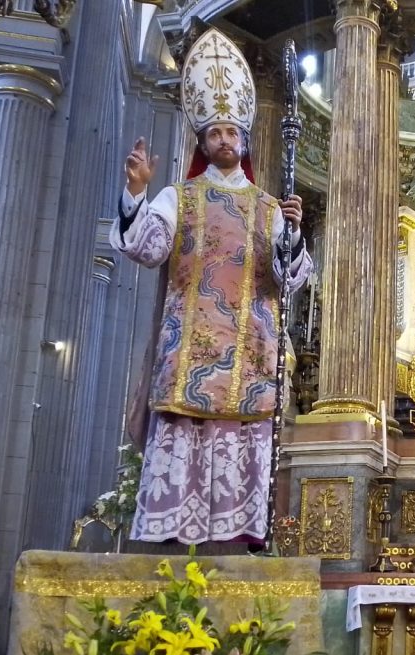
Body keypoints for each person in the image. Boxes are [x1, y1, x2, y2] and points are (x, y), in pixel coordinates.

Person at [108, 29, 311, 545]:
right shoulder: (180, 197)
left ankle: (236, 544)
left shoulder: (269, 207)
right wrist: (136, 195)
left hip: (251, 356)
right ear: (202, 142)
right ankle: (176, 545)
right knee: (186, 446)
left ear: (243, 139)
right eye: (214, 131)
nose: (224, 138)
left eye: (231, 130)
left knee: (240, 454)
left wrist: (291, 233)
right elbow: (147, 248)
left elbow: (287, 280)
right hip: (191, 356)